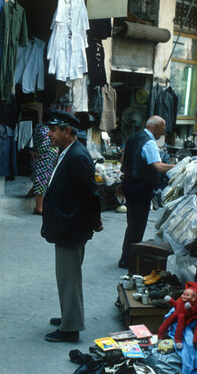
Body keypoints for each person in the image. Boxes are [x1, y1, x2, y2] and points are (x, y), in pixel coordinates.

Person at [41, 110, 103, 342]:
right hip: (66, 226)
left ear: (68, 131)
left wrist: (93, 222)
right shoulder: (67, 152)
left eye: (54, 130)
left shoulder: (77, 156)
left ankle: (71, 328)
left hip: (72, 228)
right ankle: (68, 316)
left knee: (69, 278)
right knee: (64, 276)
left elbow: (89, 195)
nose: (49, 134)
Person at [118, 115, 175, 268]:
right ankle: (128, 260)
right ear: (155, 127)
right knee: (137, 225)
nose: (161, 134)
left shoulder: (134, 137)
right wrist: (181, 165)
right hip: (140, 186)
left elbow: (123, 159)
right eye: (161, 131)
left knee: (132, 223)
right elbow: (158, 166)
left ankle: (126, 256)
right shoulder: (149, 142)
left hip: (129, 183)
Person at [27, 122, 59, 215]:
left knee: (39, 177)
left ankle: (33, 193)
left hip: (42, 157)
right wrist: (38, 152)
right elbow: (45, 143)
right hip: (45, 157)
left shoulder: (39, 126)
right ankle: (39, 207)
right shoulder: (46, 129)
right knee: (42, 179)